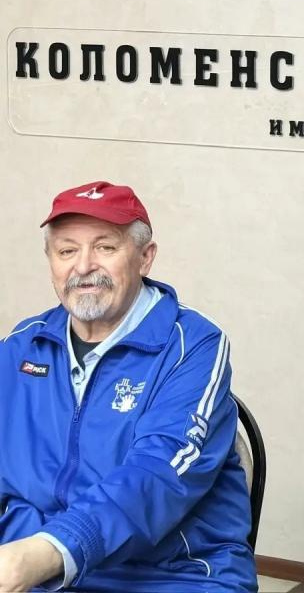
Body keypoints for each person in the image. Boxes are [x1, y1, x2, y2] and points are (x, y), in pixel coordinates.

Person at [0, 181, 255, 593]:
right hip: (37, 570)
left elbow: (156, 479)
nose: (84, 266)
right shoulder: (20, 347)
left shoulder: (194, 345)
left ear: (145, 257)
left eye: (105, 247)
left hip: (170, 576)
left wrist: (45, 551)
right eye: (67, 251)